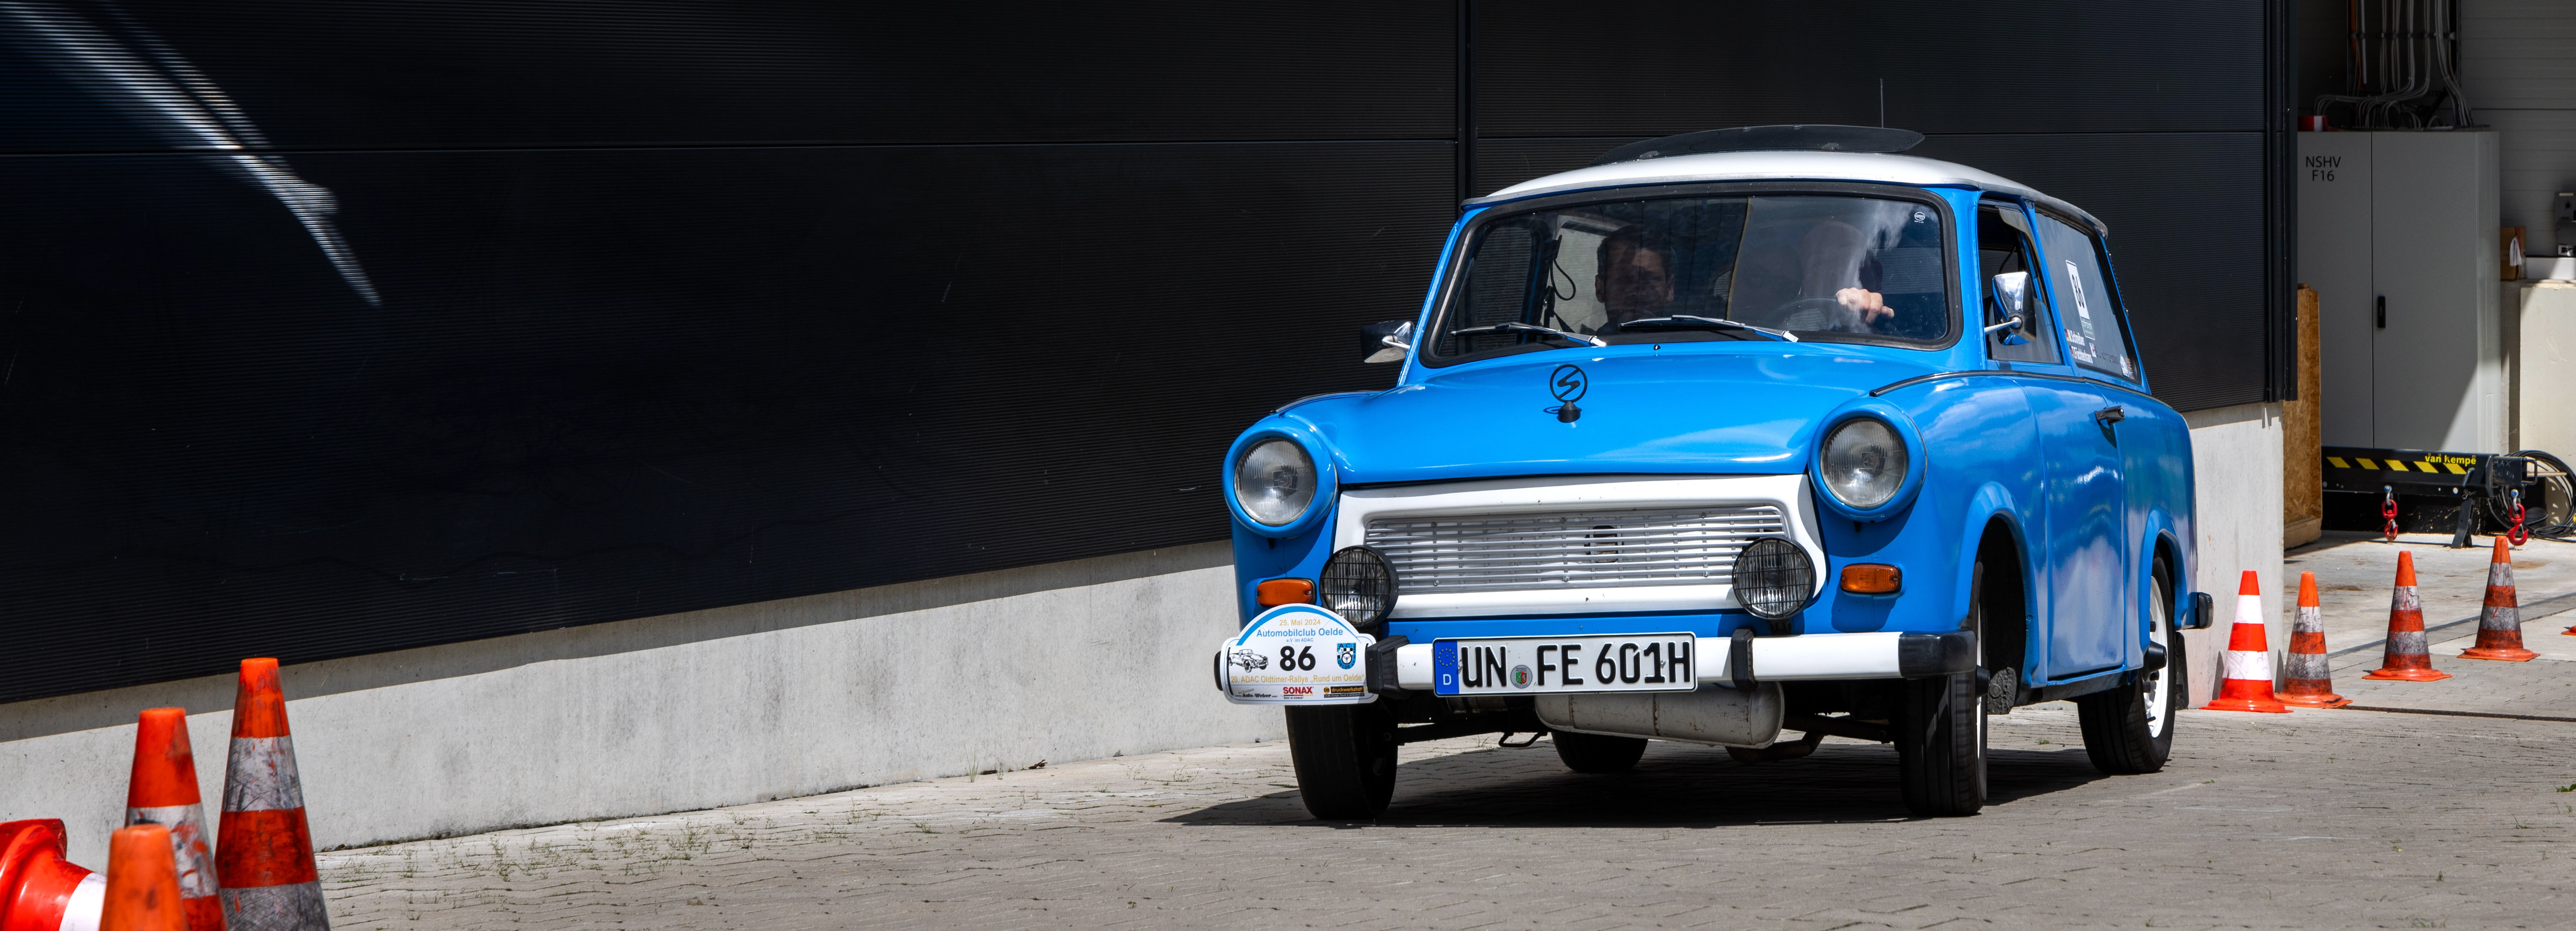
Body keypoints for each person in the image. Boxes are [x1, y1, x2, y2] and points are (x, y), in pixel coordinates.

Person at [1592, 225, 1676, 331]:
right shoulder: (1578, 341)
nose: (1637, 293)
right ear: (1600, 289)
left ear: (1669, 289)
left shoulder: (1691, 341)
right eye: (1624, 279)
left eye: (1650, 279)